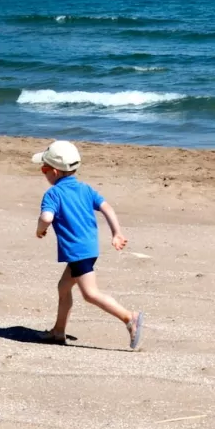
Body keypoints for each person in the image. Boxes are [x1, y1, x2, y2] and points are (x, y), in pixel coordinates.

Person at [32, 139, 144, 349]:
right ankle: (58, 331)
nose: (43, 172)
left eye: (44, 168)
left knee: (90, 293)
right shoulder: (85, 189)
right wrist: (116, 232)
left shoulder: (53, 194)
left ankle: (130, 318)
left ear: (54, 172)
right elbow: (107, 208)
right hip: (89, 248)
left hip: (77, 252)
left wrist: (40, 229)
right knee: (63, 287)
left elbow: (46, 218)